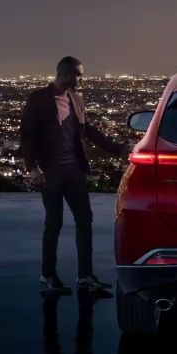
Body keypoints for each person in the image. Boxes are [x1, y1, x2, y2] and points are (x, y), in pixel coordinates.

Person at [20, 56, 126, 293]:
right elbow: (27, 135)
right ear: (66, 73)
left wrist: (117, 149)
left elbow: (86, 130)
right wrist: (33, 168)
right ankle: (47, 276)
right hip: (50, 172)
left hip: (74, 170)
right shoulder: (37, 99)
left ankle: (85, 276)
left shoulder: (76, 99)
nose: (81, 79)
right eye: (78, 74)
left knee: (84, 221)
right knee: (54, 224)